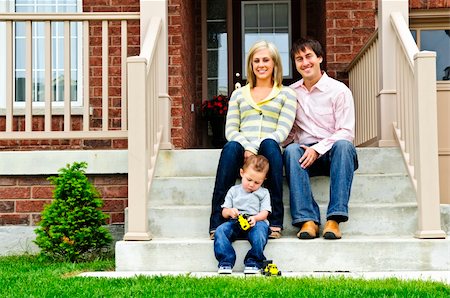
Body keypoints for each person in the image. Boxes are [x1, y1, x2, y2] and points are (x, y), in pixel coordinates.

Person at [209, 40, 297, 240]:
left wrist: (256, 149)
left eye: (266, 60)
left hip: (269, 152)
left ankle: (275, 223)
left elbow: (283, 130)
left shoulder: (287, 94)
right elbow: (230, 129)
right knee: (231, 147)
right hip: (242, 150)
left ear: (274, 63)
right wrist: (247, 148)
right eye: (256, 60)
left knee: (270, 144)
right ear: (251, 64)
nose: (261, 64)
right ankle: (217, 222)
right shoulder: (239, 94)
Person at [283, 38, 358, 240]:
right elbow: (289, 132)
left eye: (309, 56)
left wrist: (318, 149)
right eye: (299, 59)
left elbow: (346, 131)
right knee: (290, 151)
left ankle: (334, 220)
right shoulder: (291, 93)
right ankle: (307, 220)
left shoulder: (339, 90)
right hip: (305, 157)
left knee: (344, 145)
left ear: (320, 58)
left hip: (334, 154)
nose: (305, 62)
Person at [214, 155, 271, 274]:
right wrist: (230, 212)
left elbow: (265, 212)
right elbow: (224, 212)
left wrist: (255, 218)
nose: (251, 184)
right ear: (242, 173)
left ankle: (253, 262)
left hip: (256, 222)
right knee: (220, 231)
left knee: (261, 232)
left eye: (257, 182)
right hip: (235, 222)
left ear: (264, 180)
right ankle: (225, 262)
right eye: (249, 180)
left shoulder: (264, 193)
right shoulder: (233, 190)